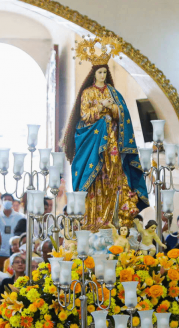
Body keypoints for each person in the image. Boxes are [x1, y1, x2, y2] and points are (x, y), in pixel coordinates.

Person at [61, 60, 148, 232]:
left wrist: (113, 107)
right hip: (95, 143)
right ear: (94, 74)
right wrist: (101, 107)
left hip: (113, 143)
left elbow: (123, 113)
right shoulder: (87, 93)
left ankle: (115, 218)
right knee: (96, 177)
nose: (102, 75)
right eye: (100, 72)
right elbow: (85, 115)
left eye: (105, 72)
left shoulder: (113, 92)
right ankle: (94, 220)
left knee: (115, 175)